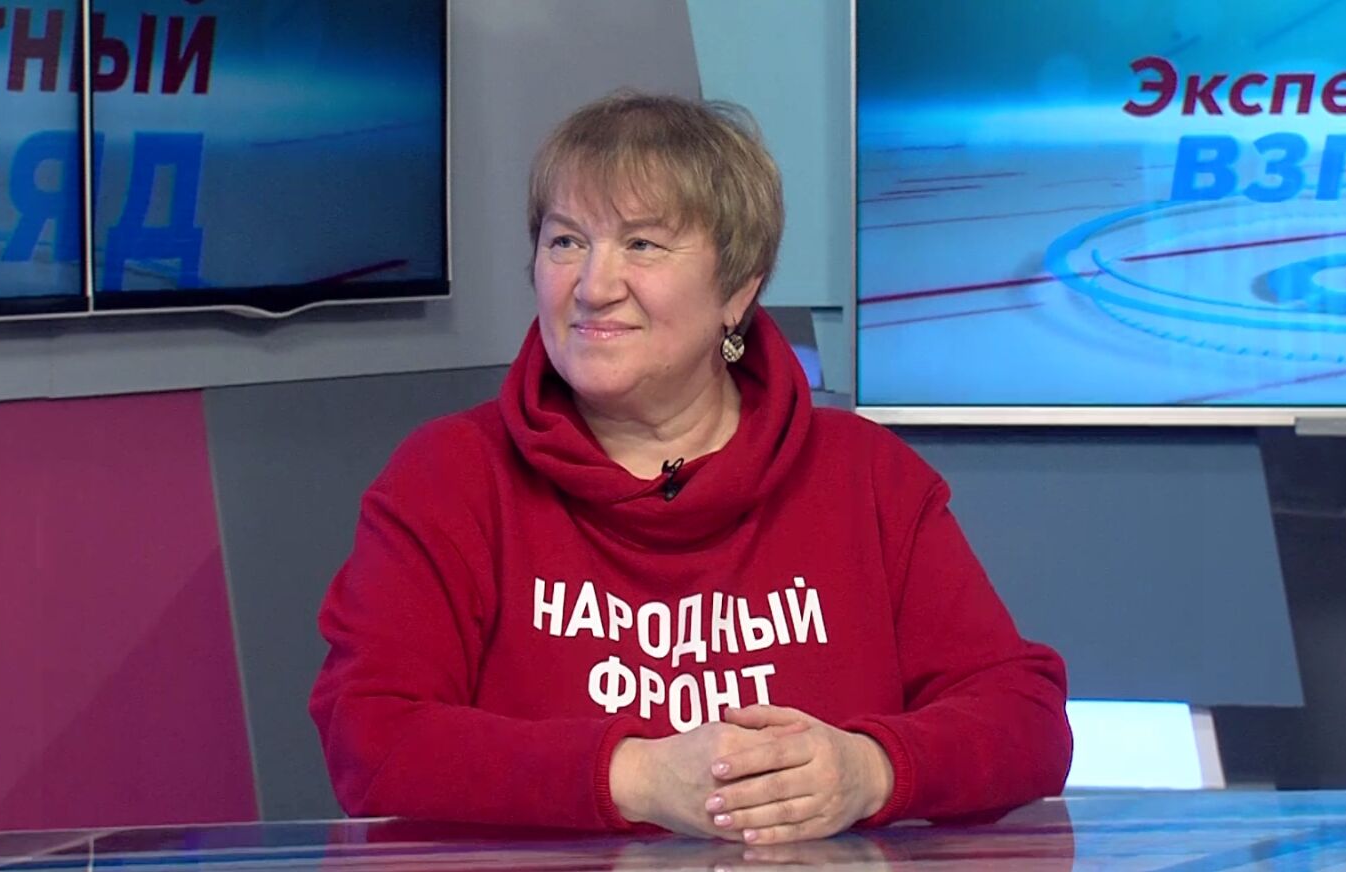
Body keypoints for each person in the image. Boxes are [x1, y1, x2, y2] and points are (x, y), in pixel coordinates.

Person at [309, 91, 1071, 845]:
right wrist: (637, 777)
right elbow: (369, 736)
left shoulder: (866, 475)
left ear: (738, 290)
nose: (594, 286)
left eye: (642, 244)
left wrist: (868, 770)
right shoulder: (448, 475)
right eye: (566, 241)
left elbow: (1025, 719)